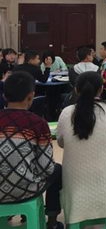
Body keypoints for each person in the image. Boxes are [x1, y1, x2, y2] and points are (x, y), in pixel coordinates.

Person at [57, 71, 106, 225]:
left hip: (75, 180)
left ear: (76, 90)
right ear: (101, 89)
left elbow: (61, 142)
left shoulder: (66, 113)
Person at [0, 72, 63, 229]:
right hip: (24, 190)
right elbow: (46, 168)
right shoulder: (38, 124)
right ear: (31, 96)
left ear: (4, 95)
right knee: (57, 170)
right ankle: (52, 222)